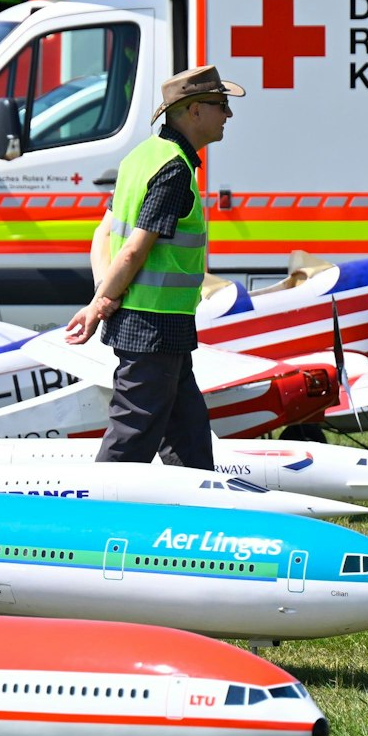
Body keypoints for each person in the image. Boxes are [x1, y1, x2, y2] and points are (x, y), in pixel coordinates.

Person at [64, 65, 244, 471]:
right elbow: (132, 251)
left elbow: (102, 236)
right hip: (153, 325)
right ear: (194, 111)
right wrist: (99, 306)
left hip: (162, 326)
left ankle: (195, 515)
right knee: (133, 435)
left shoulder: (141, 157)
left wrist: (103, 296)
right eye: (221, 105)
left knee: (188, 435)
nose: (228, 115)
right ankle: (95, 521)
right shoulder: (174, 168)